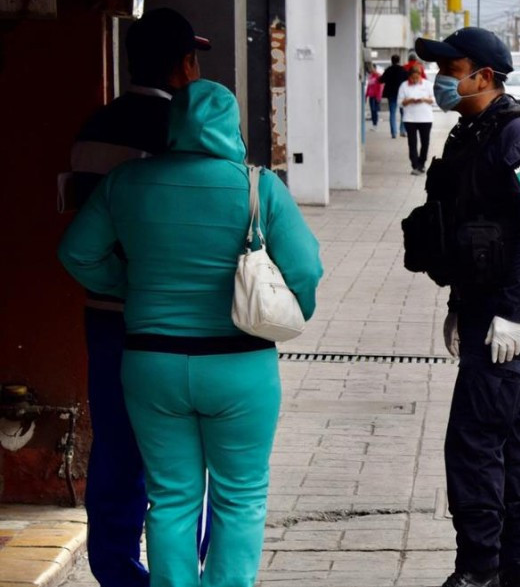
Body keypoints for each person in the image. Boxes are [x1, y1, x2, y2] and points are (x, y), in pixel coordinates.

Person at [58, 80, 323, 587]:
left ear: (172, 125)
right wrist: (293, 313)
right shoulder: (258, 186)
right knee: (240, 495)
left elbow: (75, 253)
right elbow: (306, 269)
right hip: (240, 366)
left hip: (150, 363)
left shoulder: (127, 181)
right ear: (233, 126)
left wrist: (128, 287)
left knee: (171, 495)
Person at [66, 7, 212, 587]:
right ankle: (182, 570)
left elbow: (81, 233)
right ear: (184, 64)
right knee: (178, 457)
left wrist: (112, 286)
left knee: (115, 447)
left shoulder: (93, 126)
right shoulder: (183, 129)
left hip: (104, 318)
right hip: (171, 323)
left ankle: (118, 571)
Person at [415, 27, 520, 587]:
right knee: (509, 434)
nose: (443, 79)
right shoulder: (472, 133)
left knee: (472, 442)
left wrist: (513, 315)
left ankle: (479, 570)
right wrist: (460, 305)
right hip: (483, 309)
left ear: (484, 75)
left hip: (510, 315)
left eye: (452, 68)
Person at [398, 66, 435, 174]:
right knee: (412, 143)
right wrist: (409, 101)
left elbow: (434, 99)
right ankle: (415, 165)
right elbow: (399, 102)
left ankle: (422, 163)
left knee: (425, 142)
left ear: (420, 76)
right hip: (410, 119)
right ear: (409, 77)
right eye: (413, 78)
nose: (415, 80)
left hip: (426, 118)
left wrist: (424, 99)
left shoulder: (428, 84)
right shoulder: (404, 85)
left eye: (417, 78)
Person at [381, 55, 410, 138]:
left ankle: (394, 133)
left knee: (392, 113)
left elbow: (381, 80)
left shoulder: (388, 70)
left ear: (391, 60)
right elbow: (408, 80)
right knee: (403, 113)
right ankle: (402, 131)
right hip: (402, 94)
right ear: (399, 60)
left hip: (391, 94)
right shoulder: (403, 70)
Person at [366, 66, 384, 130]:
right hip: (371, 95)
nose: (370, 69)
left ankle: (375, 124)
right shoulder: (370, 76)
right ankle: (374, 124)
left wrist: (378, 96)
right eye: (370, 68)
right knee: (372, 111)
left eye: (371, 68)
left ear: (374, 68)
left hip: (376, 96)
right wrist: (366, 95)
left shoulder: (378, 76)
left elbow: (380, 87)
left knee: (374, 110)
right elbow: (368, 86)